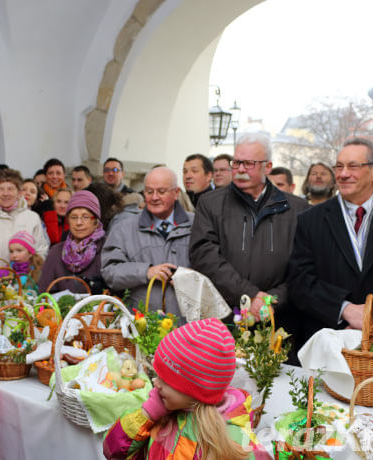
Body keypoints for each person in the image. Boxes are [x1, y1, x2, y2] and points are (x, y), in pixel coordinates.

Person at [288, 138, 373, 346]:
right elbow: (300, 281)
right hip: (330, 341)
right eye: (339, 167)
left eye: (353, 166)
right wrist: (343, 308)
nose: (343, 174)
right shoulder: (310, 219)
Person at [189, 133, 308, 352]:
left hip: (280, 323)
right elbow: (204, 255)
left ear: (268, 167)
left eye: (249, 163)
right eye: (236, 163)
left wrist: (272, 300)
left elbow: (304, 266)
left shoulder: (297, 209)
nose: (241, 169)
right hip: (225, 320)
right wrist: (249, 294)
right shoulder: (211, 204)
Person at [103, 318, 271, 460]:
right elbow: (113, 451)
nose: (155, 382)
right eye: (158, 374)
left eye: (166, 380)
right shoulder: (160, 413)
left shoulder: (232, 438)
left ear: (195, 391)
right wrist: (146, 414)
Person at [102, 167, 193, 315]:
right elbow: (110, 272)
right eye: (149, 192)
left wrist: (194, 277)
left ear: (176, 193)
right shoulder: (124, 229)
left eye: (161, 192)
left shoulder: (197, 225)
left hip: (187, 325)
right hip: (142, 324)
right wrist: (145, 272)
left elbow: (214, 268)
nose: (154, 197)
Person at [39, 190, 108, 293]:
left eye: (85, 217)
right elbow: (44, 292)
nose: (79, 223)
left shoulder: (107, 249)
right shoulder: (55, 252)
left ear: (96, 221)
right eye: (74, 217)